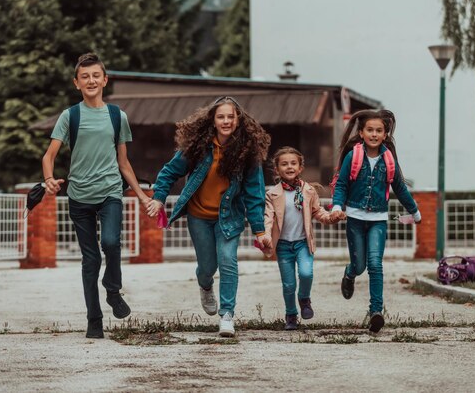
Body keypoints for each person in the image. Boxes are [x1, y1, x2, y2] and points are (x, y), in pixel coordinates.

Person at [42, 53, 152, 339]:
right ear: (76, 83)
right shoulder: (70, 116)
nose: (91, 80)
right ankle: (94, 320)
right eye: (84, 77)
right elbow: (49, 155)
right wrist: (49, 180)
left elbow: (124, 163)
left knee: (112, 243)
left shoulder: (117, 116)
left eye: (95, 76)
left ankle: (113, 290)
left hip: (110, 192)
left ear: (105, 80)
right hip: (78, 197)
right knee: (90, 260)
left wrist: (141, 195)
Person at [147, 96, 270, 337]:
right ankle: (205, 285)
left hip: (229, 218)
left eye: (230, 116)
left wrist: (259, 229)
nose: (226, 121)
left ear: (238, 120)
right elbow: (169, 172)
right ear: (213, 120)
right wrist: (159, 198)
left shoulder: (247, 153)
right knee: (207, 267)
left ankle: (227, 315)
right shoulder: (198, 147)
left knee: (227, 261)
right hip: (199, 217)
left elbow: (254, 194)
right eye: (221, 116)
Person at [330, 109, 421, 334]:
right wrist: (337, 206)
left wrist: (415, 211)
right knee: (359, 265)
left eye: (378, 130)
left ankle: (376, 312)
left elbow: (399, 187)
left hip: (378, 220)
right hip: (355, 218)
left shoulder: (388, 159)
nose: (374, 134)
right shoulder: (354, 156)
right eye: (369, 130)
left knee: (375, 264)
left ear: (385, 134)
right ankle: (350, 274)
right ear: (361, 132)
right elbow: (341, 184)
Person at [261, 147, 344, 330]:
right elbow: (268, 218)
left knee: (306, 274)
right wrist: (266, 236)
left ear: (300, 168)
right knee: (288, 284)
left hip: (303, 244)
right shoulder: (272, 194)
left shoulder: (308, 191)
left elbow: (319, 212)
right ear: (277, 169)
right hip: (283, 246)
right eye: (284, 164)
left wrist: (332, 217)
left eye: (293, 163)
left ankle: (304, 299)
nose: (289, 167)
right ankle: (291, 314)